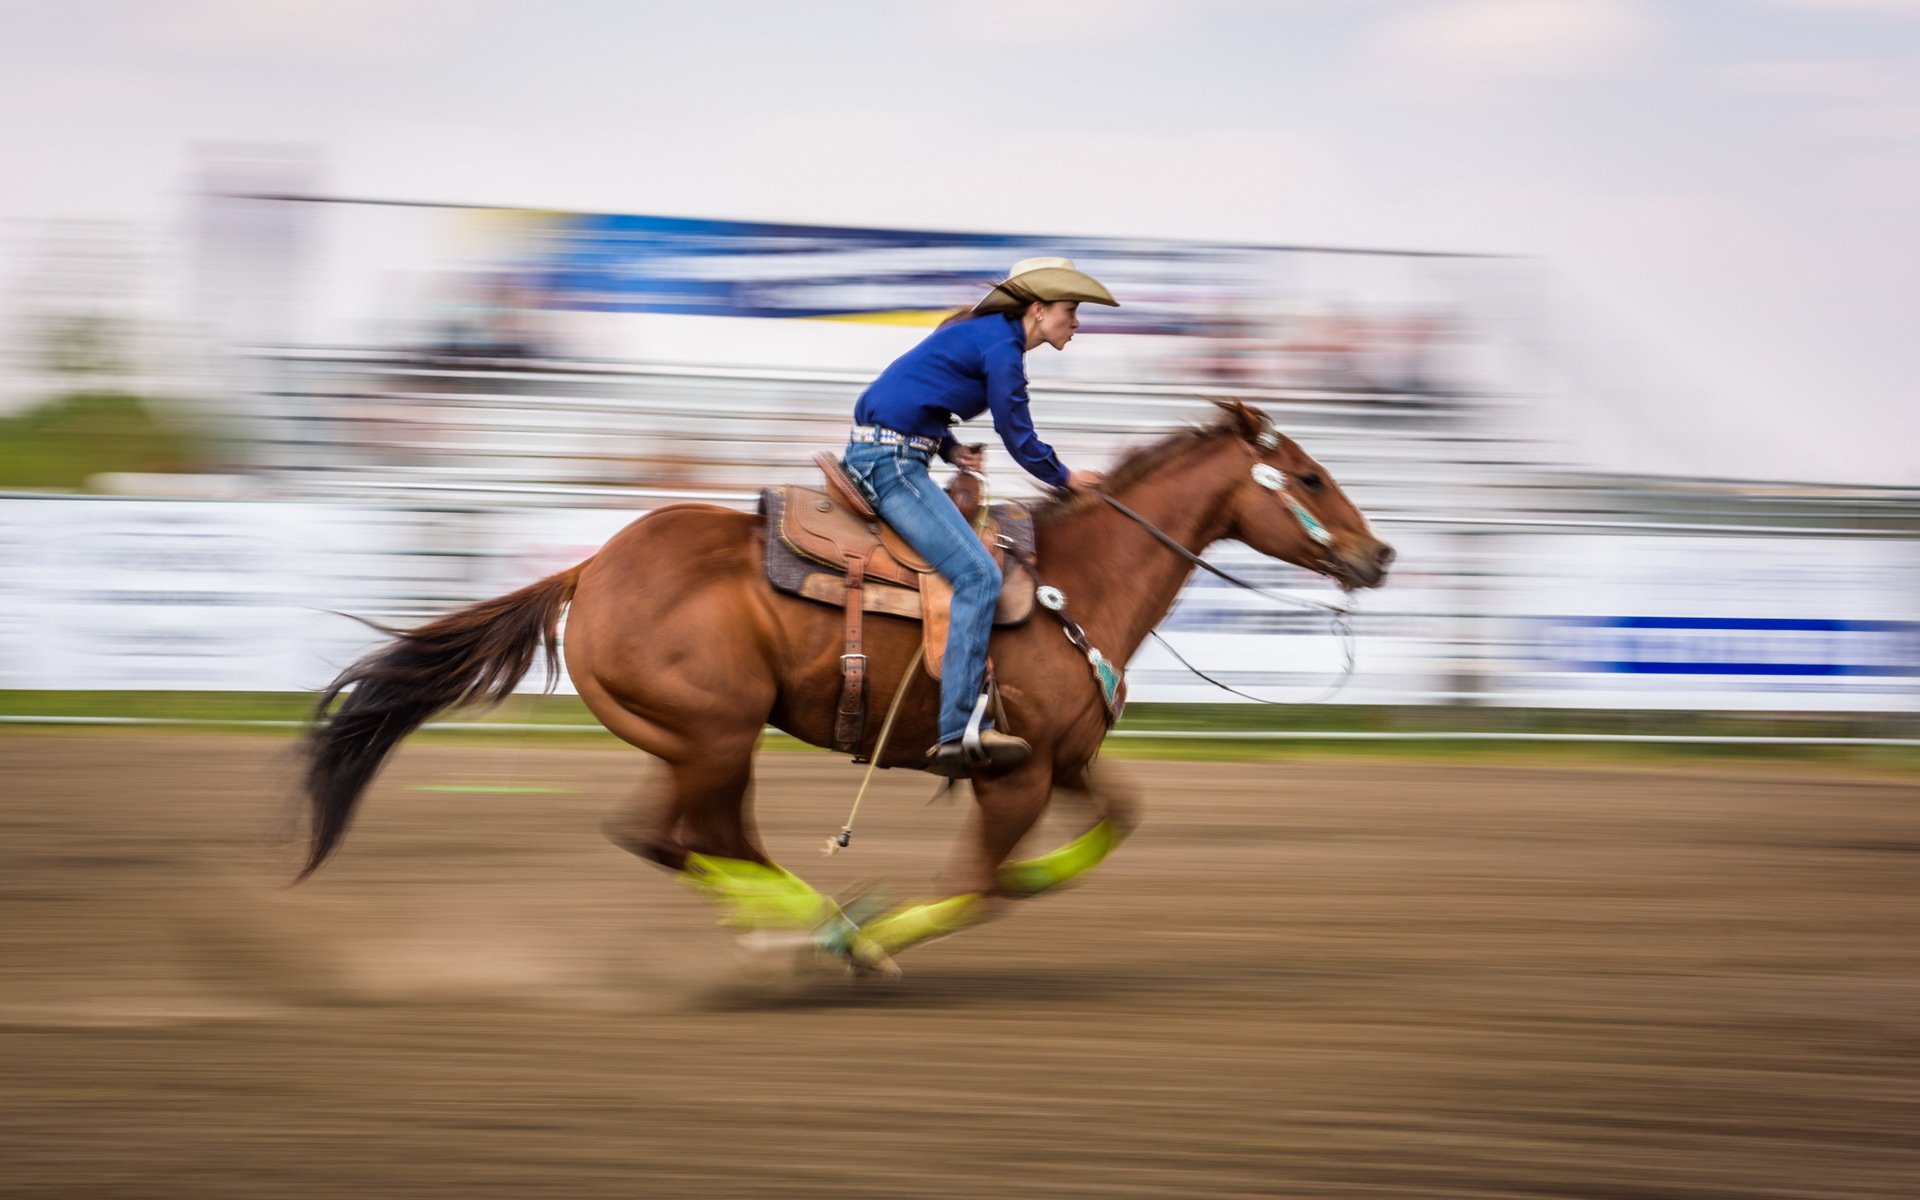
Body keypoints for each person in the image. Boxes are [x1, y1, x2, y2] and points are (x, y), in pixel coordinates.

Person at [842, 256, 1117, 775]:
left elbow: (909, 396)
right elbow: (1018, 433)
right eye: (1071, 311)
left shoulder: (987, 337)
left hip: (896, 455)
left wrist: (949, 451)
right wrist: (1065, 476)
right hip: (892, 466)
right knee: (977, 574)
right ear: (1038, 310)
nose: (1076, 323)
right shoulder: (1002, 350)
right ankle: (958, 730)